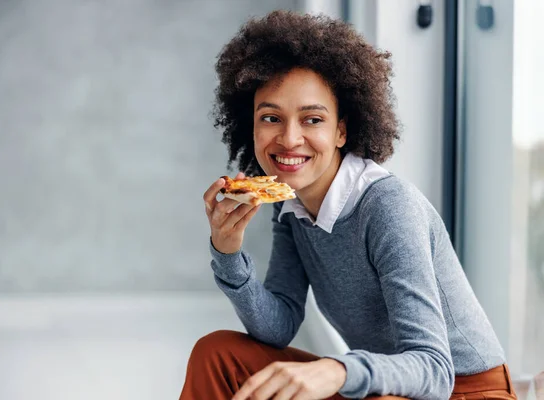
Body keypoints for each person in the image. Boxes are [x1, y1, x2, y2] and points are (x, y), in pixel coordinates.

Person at [179, 10, 517, 400]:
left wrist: (339, 368)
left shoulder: (388, 207)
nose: (289, 139)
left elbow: (435, 370)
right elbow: (279, 326)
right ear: (251, 127)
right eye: (271, 117)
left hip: (465, 391)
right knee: (218, 353)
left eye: (312, 120)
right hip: (384, 387)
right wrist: (227, 253)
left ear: (342, 130)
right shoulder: (291, 207)